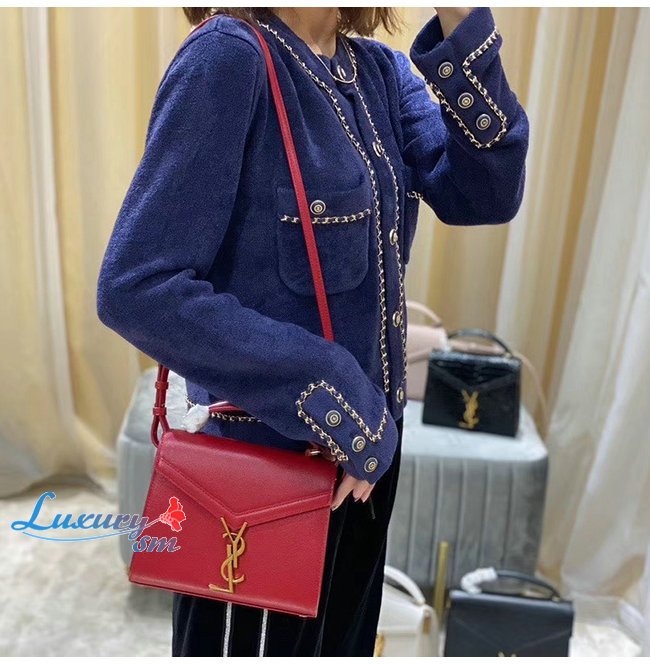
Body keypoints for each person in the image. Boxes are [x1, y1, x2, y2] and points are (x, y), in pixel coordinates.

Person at [96, 6, 529, 657]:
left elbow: (486, 194)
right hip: (262, 475)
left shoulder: (378, 73)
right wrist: (336, 393)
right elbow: (138, 286)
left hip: (367, 466)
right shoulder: (228, 58)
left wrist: (462, 22)